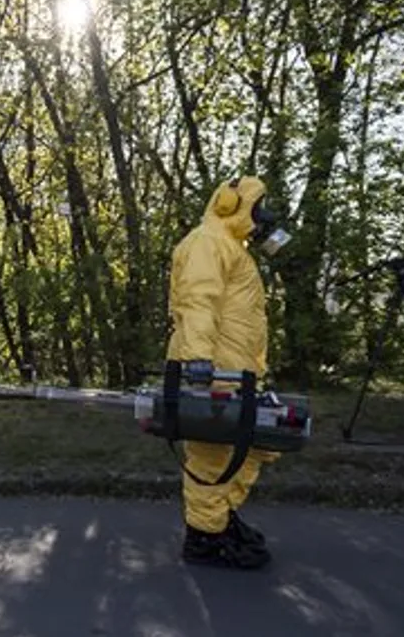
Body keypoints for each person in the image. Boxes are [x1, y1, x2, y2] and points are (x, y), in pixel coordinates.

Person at [168, 176, 291, 570]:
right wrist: (198, 362)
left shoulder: (231, 247)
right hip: (214, 369)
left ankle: (217, 519)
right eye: (258, 208)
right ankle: (204, 538)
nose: (263, 217)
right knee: (211, 457)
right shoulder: (207, 243)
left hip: (237, 371)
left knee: (255, 447)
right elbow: (197, 300)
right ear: (228, 204)